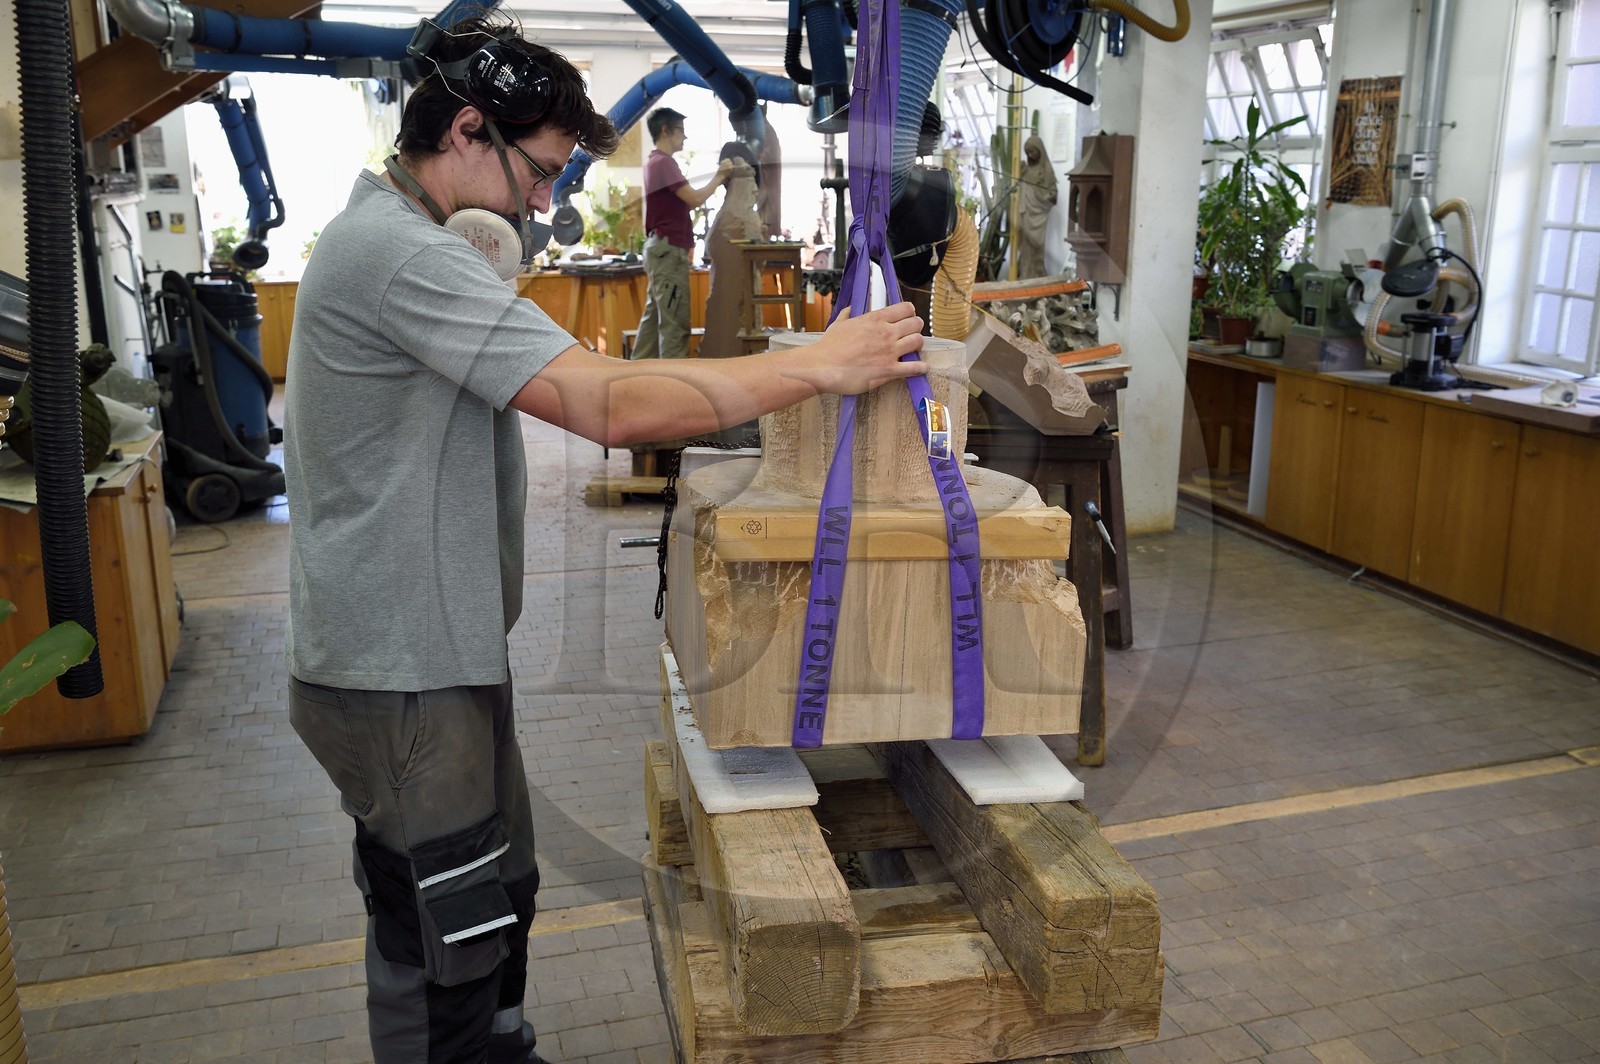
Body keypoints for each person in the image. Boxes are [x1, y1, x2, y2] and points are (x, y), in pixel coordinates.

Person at [281, 15, 926, 1064]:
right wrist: (820, 364)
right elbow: (612, 404)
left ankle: (501, 1045)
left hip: (436, 654)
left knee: (501, 884)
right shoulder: (396, 257)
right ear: (465, 129)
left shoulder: (410, 242)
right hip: (393, 669)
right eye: (536, 173)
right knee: (440, 927)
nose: (544, 203)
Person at [632, 107, 733, 360]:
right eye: (681, 131)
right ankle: (674, 392)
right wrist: (720, 176)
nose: (685, 138)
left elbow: (685, 202)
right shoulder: (664, 162)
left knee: (654, 321)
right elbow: (694, 198)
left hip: (660, 250)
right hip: (667, 252)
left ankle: (636, 379)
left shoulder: (654, 162)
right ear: (665, 130)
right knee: (674, 326)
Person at [1015, 133, 1059, 280]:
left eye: (1033, 151)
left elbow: (1053, 193)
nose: (1031, 155)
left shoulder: (1046, 170)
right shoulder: (1025, 169)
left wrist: (1043, 198)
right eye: (1028, 153)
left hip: (1038, 214)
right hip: (1026, 213)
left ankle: (1037, 275)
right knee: (1025, 247)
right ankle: (1026, 274)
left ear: (1040, 151)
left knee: (1037, 247)